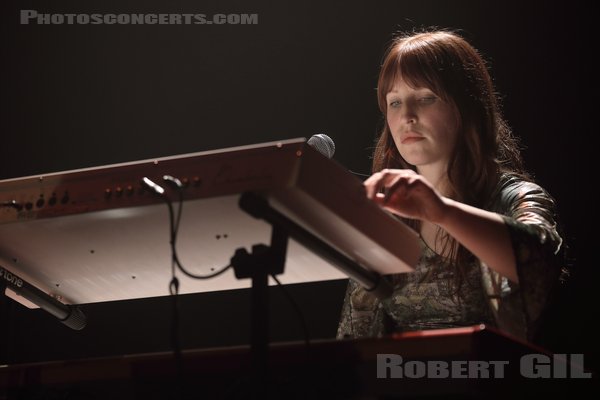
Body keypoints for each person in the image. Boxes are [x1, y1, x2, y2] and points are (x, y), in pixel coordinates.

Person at [337, 30, 566, 343]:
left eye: (426, 98)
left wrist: (441, 211)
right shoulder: (385, 215)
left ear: (467, 107)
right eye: (394, 103)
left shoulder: (513, 196)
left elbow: (541, 259)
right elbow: (353, 338)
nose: (406, 116)